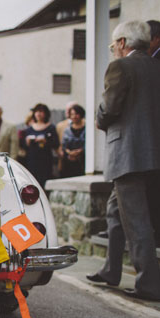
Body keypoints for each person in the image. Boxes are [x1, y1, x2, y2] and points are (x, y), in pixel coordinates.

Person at [86, 21, 160, 301]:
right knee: (115, 211)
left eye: (113, 44)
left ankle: (149, 285)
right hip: (152, 154)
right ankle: (110, 269)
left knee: (137, 223)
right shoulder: (156, 66)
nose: (113, 49)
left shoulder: (121, 67)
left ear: (123, 42)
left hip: (129, 153)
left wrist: (99, 118)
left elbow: (110, 108)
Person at [22, 103, 59, 189]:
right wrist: (27, 142)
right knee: (32, 181)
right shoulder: (29, 129)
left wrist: (45, 141)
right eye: (37, 112)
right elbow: (24, 147)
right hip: (32, 160)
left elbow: (56, 144)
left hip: (45, 160)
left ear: (46, 114)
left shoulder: (51, 127)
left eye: (41, 112)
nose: (38, 114)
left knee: (44, 182)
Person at [58, 104, 86, 178]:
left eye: (76, 114)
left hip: (82, 161)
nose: (74, 116)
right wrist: (69, 152)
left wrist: (80, 151)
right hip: (69, 160)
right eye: (72, 114)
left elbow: (87, 144)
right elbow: (64, 145)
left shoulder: (86, 129)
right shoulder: (67, 130)